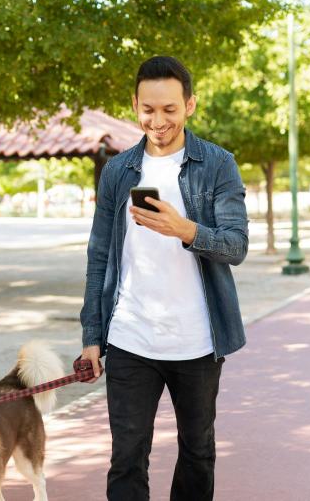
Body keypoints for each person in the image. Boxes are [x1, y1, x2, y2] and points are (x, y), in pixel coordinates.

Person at [79, 56, 249, 501]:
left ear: (190, 105)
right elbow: (99, 257)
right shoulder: (118, 171)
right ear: (135, 105)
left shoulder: (217, 165)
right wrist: (91, 337)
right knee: (127, 457)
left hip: (197, 339)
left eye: (170, 109)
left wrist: (186, 230)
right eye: (148, 109)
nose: (158, 121)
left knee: (197, 452)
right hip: (131, 337)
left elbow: (237, 246)